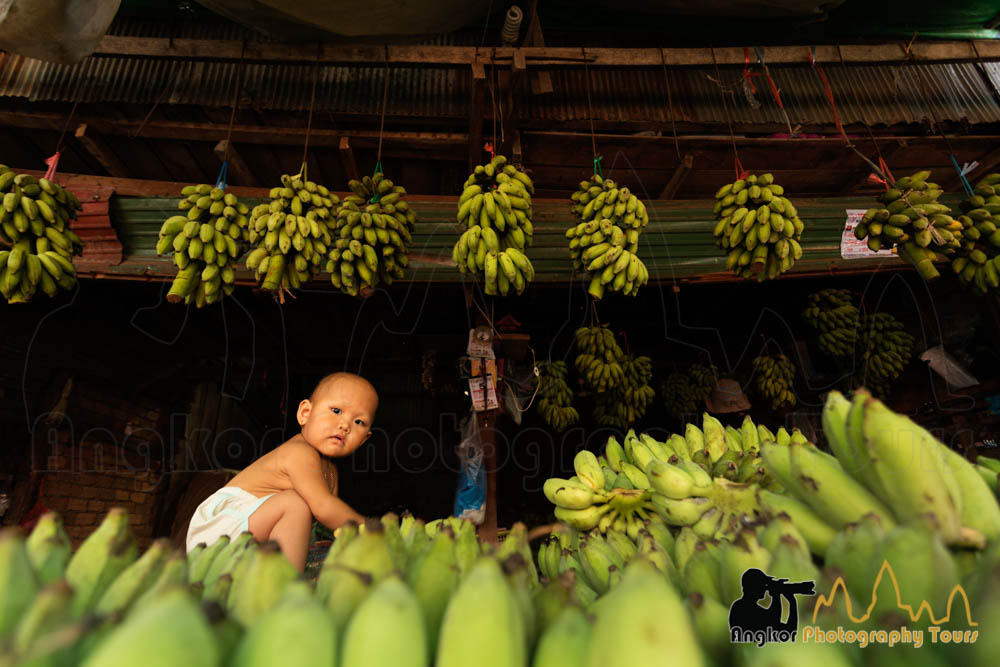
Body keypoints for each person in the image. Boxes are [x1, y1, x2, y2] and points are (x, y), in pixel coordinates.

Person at [186, 372, 378, 571]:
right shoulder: (299, 452)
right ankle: (286, 585)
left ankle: (274, 575)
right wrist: (375, 531)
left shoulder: (331, 471)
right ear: (305, 413)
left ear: (364, 439)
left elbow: (329, 523)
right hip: (222, 532)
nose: (345, 425)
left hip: (255, 536)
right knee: (294, 503)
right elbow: (324, 508)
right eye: (336, 410)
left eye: (359, 422)